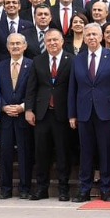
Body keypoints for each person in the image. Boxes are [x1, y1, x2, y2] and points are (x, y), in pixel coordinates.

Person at [68, 23, 110, 202]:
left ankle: (106, 189)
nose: (91, 37)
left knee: (105, 151)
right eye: (88, 35)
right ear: (84, 39)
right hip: (84, 112)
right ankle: (84, 189)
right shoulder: (78, 59)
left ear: (101, 37)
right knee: (86, 152)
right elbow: (73, 88)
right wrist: (72, 114)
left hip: (106, 112)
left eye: (94, 34)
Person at [26, 27, 74, 201]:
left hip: (63, 114)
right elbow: (31, 87)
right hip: (42, 114)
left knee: (63, 153)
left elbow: (74, 88)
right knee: (41, 153)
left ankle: (63, 189)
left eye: (55, 40)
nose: (52, 43)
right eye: (49, 40)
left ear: (62, 41)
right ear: (45, 43)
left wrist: (73, 113)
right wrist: (29, 109)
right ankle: (41, 188)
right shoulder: (37, 61)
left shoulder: (71, 60)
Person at [0, 32, 34, 200]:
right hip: (5, 116)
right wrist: (3, 106)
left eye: (18, 43)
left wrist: (23, 107)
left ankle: (25, 188)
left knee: (25, 154)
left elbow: (34, 90)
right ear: (7, 47)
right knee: (5, 154)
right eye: (12, 44)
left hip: (23, 116)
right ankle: (5, 188)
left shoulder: (32, 65)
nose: (15, 46)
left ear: (25, 46)